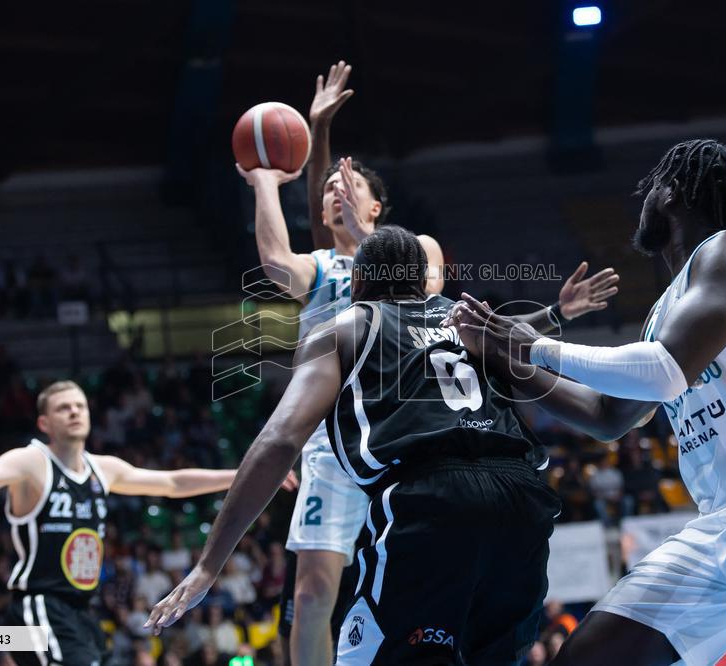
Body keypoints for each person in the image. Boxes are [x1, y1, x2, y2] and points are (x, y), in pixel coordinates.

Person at [241, 60, 620, 666]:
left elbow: (444, 311)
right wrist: (292, 156)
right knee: (313, 593)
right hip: (335, 439)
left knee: (428, 599)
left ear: (377, 206)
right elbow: (278, 261)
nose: (336, 191)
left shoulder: (418, 252)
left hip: (413, 433)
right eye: (329, 188)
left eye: (348, 185)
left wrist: (555, 314)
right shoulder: (320, 265)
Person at [449, 139, 726, 665]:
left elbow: (664, 370)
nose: (642, 200)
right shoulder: (663, 312)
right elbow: (606, 416)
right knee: (587, 657)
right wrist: (503, 357)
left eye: (649, 188)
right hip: (721, 519)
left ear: (670, 192)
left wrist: (532, 346)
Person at [146, 225, 563, 665]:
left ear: (357, 281)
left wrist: (208, 565)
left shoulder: (346, 326)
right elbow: (573, 396)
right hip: (523, 497)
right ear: (422, 279)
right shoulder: (472, 323)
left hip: (429, 494)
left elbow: (280, 439)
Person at [0, 380, 297, 666]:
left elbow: (172, 483)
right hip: (41, 605)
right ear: (44, 422)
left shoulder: (102, 469)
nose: (75, 412)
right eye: (64, 408)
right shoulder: (31, 463)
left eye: (80, 405)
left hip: (82, 611)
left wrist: (248, 475)